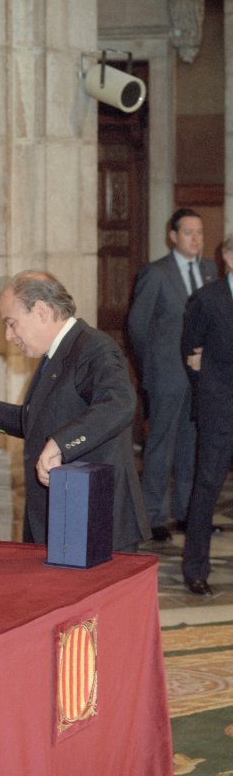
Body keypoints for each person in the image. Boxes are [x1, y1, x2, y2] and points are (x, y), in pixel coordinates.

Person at [0, 270, 150, 552]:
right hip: (63, 515)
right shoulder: (57, 353)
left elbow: (118, 404)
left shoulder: (95, 348)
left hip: (94, 518)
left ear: (41, 311)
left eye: (11, 323)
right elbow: (47, 419)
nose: (8, 335)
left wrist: (61, 444)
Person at [127, 208, 217, 541]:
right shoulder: (156, 273)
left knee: (192, 446)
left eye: (200, 233)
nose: (196, 239)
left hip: (201, 376)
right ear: (173, 236)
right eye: (189, 232)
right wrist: (151, 364)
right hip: (166, 375)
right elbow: (137, 326)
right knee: (161, 445)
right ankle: (154, 516)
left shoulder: (210, 271)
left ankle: (186, 513)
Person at [181, 235, 233, 595]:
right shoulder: (208, 298)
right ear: (228, 256)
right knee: (207, 486)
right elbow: (191, 353)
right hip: (220, 409)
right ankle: (195, 568)